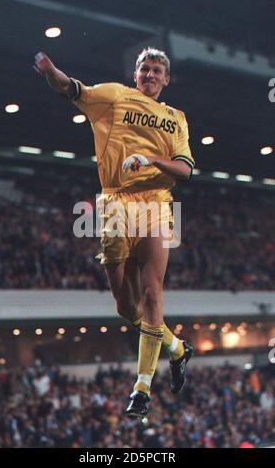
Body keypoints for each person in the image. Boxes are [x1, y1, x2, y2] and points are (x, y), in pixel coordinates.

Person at [34, 47, 194, 418]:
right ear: (135, 74)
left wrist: (153, 160)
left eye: (157, 70)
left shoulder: (176, 118)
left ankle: (142, 388)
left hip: (155, 202)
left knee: (154, 292)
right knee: (126, 307)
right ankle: (177, 349)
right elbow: (72, 89)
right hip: (115, 205)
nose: (150, 74)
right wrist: (50, 71)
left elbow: (185, 169)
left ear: (166, 79)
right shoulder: (114, 96)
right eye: (144, 69)